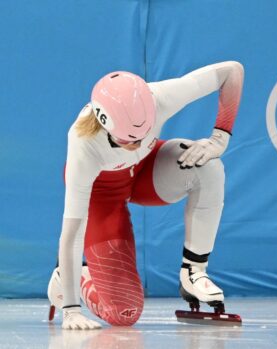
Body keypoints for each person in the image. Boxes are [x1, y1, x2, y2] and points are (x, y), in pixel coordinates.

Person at [47, 61, 244, 330]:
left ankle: (194, 272)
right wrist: (70, 309)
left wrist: (220, 137)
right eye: (129, 140)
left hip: (144, 171)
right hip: (101, 197)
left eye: (143, 134)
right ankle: (72, 276)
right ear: (105, 127)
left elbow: (232, 71)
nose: (137, 144)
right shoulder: (83, 144)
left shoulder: (159, 96)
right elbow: (71, 234)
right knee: (124, 313)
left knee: (208, 167)